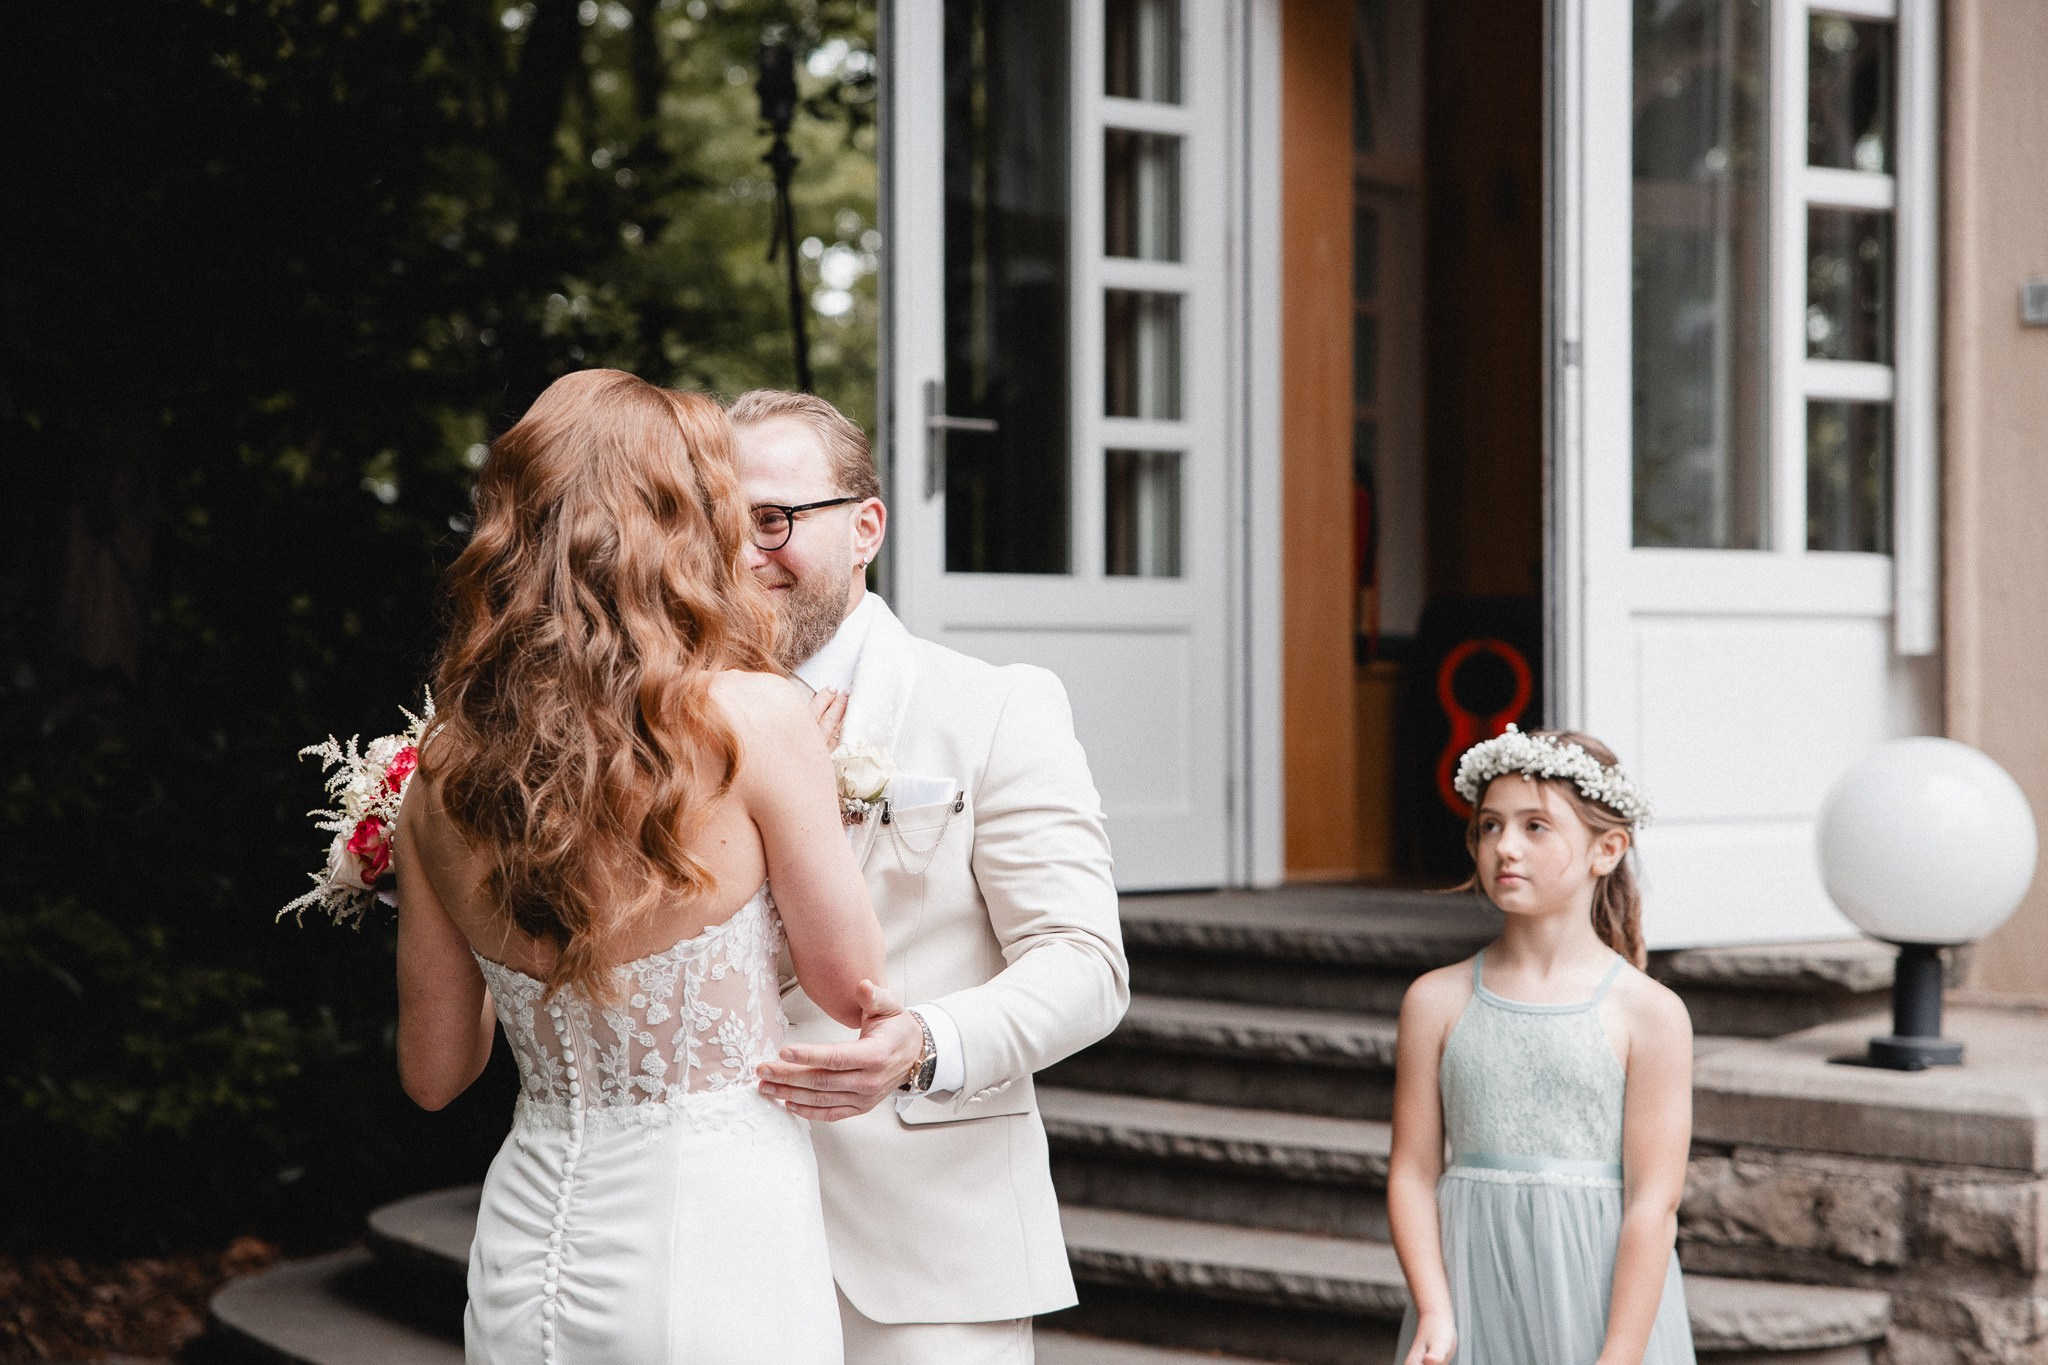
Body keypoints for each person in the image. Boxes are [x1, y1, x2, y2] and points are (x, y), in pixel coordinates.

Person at [392, 369, 895, 1364]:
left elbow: (436, 1074)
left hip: (527, 1241)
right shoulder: (755, 719)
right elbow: (850, 990)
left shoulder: (437, 774)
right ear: (685, 521)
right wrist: (814, 818)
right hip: (714, 1238)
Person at [728, 389, 1129, 1365]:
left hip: (927, 1252)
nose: (741, 554)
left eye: (774, 520)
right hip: (714, 1235)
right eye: (710, 524)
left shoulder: (993, 708)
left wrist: (926, 1044)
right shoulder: (661, 729)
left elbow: (1083, 965)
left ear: (865, 526)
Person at [1387, 727, 1696, 1365]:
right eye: (1491, 826)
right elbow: (1413, 1173)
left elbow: (1652, 1201)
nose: (1505, 847)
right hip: (1471, 1291)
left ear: (1606, 849)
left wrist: (1622, 1351)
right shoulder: (1436, 1002)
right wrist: (1436, 1308)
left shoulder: (1650, 1014)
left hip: (1599, 1299)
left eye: (1535, 827)